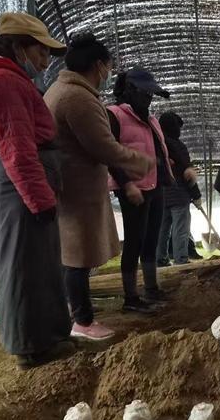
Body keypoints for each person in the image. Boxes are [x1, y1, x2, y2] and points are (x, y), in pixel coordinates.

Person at [0, 11, 72, 369]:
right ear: (20, 47)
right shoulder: (3, 83)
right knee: (25, 261)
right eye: (41, 53)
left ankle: (45, 336)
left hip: (28, 179)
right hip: (25, 182)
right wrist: (39, 199)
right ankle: (29, 345)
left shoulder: (6, 79)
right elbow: (17, 147)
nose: (44, 62)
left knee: (38, 259)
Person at [45, 34, 152, 341]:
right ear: (97, 65)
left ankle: (76, 314)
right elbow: (104, 146)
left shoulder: (62, 91)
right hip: (76, 189)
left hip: (73, 186)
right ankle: (83, 321)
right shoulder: (76, 98)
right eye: (107, 66)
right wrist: (143, 163)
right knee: (77, 257)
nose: (108, 73)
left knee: (75, 256)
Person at [107, 69, 172, 313]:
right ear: (130, 91)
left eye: (151, 94)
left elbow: (158, 148)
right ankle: (131, 297)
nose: (149, 99)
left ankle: (152, 288)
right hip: (134, 188)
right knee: (134, 239)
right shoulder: (115, 116)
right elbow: (110, 154)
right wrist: (127, 183)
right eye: (145, 93)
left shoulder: (151, 118)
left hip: (155, 185)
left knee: (151, 238)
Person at [157, 111, 202, 266]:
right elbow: (187, 173)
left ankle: (160, 259)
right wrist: (196, 195)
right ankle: (181, 260)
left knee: (162, 229)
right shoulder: (177, 146)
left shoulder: (157, 145)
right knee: (180, 229)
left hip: (162, 194)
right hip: (178, 193)